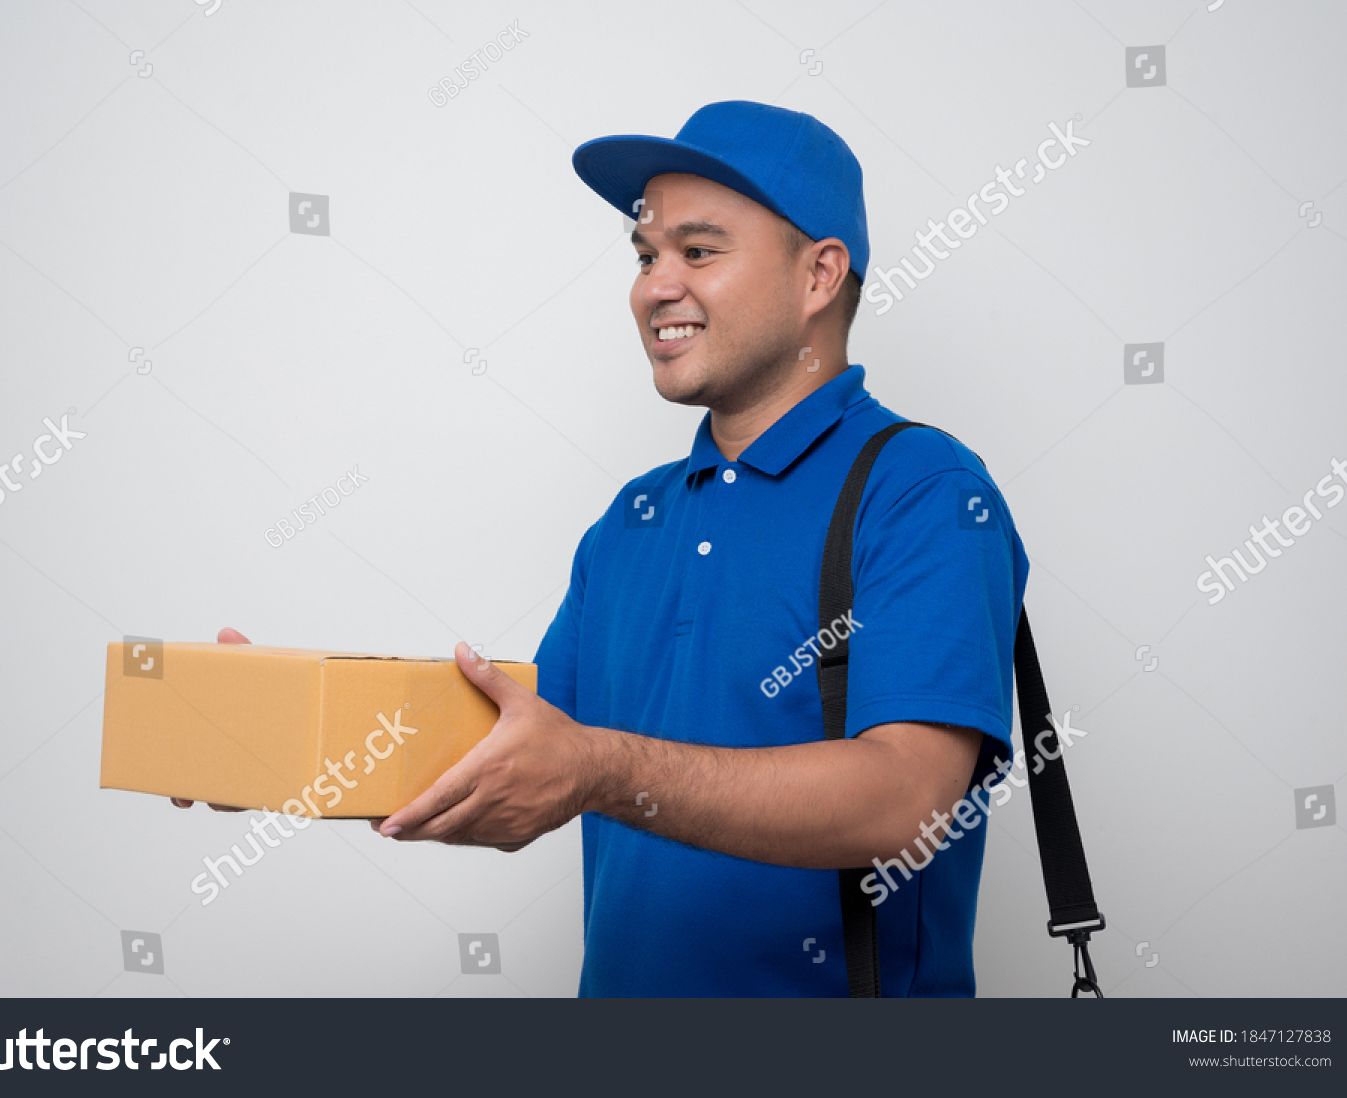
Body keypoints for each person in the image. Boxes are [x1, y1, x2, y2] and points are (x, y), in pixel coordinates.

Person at [181, 100, 1028, 997]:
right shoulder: (634, 521)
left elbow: (905, 804)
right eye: (645, 256)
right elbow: (512, 754)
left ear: (819, 276)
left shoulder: (925, 492)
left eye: (698, 252)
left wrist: (601, 769)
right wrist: (281, 749)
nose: (654, 288)